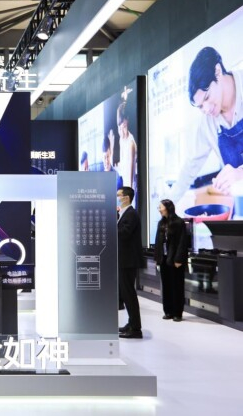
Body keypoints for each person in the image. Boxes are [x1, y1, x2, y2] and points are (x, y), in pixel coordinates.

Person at [169, 46, 243, 200]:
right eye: (200, 106)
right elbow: (191, 165)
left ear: (218, 72)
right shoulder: (207, 123)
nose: (207, 109)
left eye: (207, 97)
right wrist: (168, 203)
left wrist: (240, 173)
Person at [154, 199, 188, 322]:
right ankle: (168, 311)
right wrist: (157, 258)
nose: (159, 209)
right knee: (166, 285)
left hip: (175, 260)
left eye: (161, 207)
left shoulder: (179, 222)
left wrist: (179, 259)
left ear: (168, 208)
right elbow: (158, 242)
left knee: (177, 286)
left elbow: (182, 243)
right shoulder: (161, 223)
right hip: (163, 259)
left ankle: (177, 313)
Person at [117, 186, 144, 339]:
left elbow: (124, 233)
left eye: (119, 195)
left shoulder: (131, 214)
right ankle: (131, 323)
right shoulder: (125, 213)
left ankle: (136, 329)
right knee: (126, 294)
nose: (117, 198)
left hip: (128, 260)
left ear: (126, 198)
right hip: (124, 259)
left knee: (129, 294)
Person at [115, 101, 137, 192]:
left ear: (127, 122)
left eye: (123, 127)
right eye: (119, 128)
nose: (121, 132)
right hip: (125, 184)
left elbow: (131, 175)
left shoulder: (131, 143)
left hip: (131, 187)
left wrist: (129, 193)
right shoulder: (121, 139)